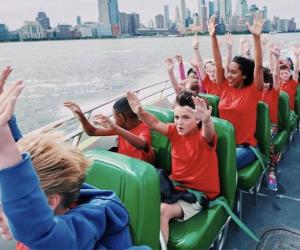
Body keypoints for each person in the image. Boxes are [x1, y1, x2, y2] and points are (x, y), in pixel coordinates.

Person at [0, 80, 151, 250]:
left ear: (51, 202)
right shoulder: (52, 194)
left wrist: (6, 150)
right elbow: (25, 175)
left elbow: (39, 233)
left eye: (5, 205)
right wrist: (6, 125)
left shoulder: (81, 226)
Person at [126, 90, 220, 243]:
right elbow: (155, 123)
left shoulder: (203, 138)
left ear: (197, 120)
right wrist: (141, 111)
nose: (179, 122)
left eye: (186, 118)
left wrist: (207, 120)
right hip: (174, 186)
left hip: (196, 194)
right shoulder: (174, 132)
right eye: (177, 117)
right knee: (140, 197)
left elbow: (208, 133)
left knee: (162, 211)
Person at [208, 12, 265, 170]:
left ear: (244, 75)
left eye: (234, 72)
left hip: (245, 148)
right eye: (228, 71)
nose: (229, 75)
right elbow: (218, 64)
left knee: (220, 167)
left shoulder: (253, 91)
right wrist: (212, 37)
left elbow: (258, 66)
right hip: (225, 144)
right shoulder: (225, 86)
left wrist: (256, 38)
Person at [64, 98, 155, 165]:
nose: (114, 121)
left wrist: (114, 127)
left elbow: (141, 145)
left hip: (141, 171)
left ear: (122, 118)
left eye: (115, 118)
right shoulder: (122, 128)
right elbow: (92, 131)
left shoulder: (143, 129)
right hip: (124, 164)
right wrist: (81, 116)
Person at [261, 41, 282, 191]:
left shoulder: (274, 93)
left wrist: (276, 56)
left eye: (267, 81)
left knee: (267, 141)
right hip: (257, 126)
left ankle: (271, 173)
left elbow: (275, 74)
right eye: (262, 81)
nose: (265, 84)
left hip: (271, 126)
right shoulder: (254, 93)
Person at [193, 33, 233, 97]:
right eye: (209, 71)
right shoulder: (207, 82)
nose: (211, 73)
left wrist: (229, 48)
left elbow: (227, 65)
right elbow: (200, 65)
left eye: (214, 72)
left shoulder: (223, 81)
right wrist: (196, 48)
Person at [279, 45, 300, 112]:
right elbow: (273, 71)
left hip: (289, 111)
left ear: (290, 73)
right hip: (279, 110)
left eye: (286, 73)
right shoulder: (279, 83)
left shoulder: (292, 83)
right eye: (282, 74)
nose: (284, 75)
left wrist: (297, 56)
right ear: (279, 76)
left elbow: (296, 71)